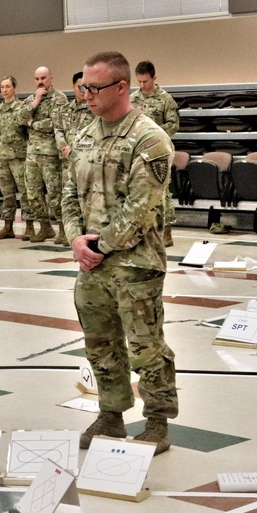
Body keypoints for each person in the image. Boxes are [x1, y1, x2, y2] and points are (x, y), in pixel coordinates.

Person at [62, 51, 177, 455]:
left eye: (94, 88)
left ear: (121, 87)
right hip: (92, 266)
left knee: (146, 347)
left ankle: (157, 422)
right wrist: (76, 238)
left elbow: (142, 209)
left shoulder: (149, 138)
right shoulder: (84, 135)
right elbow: (68, 193)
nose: (87, 95)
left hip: (135, 265)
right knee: (100, 345)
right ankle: (111, 415)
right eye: (83, 88)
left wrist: (99, 247)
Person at [131, 61, 180, 247]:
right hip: (138, 152)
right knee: (139, 190)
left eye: (146, 81)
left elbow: (174, 124)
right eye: (139, 82)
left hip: (159, 152)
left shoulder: (165, 99)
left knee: (163, 192)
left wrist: (154, 133)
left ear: (154, 78)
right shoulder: (132, 99)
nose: (142, 86)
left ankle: (166, 231)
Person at [23, 67, 69, 244]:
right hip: (32, 153)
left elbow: (56, 122)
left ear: (51, 78)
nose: (40, 81)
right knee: (33, 194)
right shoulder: (31, 98)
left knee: (55, 194)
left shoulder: (60, 98)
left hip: (50, 154)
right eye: (37, 79)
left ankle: (64, 229)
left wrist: (33, 124)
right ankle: (44, 227)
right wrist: (35, 101)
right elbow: (19, 118)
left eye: (43, 78)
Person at [0, 76, 30, 239]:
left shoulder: (21, 108)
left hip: (18, 156)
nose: (4, 90)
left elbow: (27, 131)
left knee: (25, 192)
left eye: (7, 87)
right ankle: (8, 226)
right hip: (2, 157)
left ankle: (29, 226)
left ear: (14, 88)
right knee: (7, 194)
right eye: (2, 87)